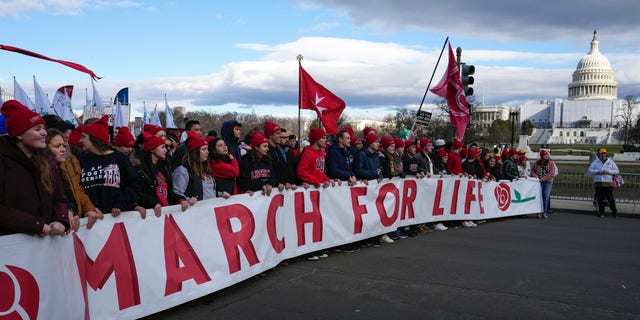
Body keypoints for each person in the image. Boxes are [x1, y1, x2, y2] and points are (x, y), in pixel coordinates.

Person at [0, 100, 69, 236]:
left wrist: (61, 220)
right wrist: (36, 225)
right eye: (37, 129)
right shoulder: (3, 161)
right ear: (19, 135)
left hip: (43, 247)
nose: (44, 133)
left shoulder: (47, 161)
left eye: (43, 128)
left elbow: (60, 198)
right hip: (11, 247)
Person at [78, 115, 144, 219]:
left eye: (83, 136)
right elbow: (77, 190)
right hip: (89, 221)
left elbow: (134, 186)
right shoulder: (80, 161)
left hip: (117, 219)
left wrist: (121, 205)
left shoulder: (120, 159)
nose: (80, 140)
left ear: (94, 138)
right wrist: (89, 208)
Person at [47, 129, 103, 232]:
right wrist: (62, 217)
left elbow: (78, 189)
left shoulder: (72, 159)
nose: (63, 149)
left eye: (63, 145)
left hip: (73, 222)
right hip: (55, 227)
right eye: (57, 146)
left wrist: (88, 208)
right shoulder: (42, 170)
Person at [173, 131, 227, 211]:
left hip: (210, 211)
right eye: (204, 149)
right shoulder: (183, 170)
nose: (207, 152)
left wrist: (221, 194)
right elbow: (176, 192)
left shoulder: (207, 170)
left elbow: (208, 192)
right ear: (195, 152)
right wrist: (185, 200)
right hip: (195, 213)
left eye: (207, 149)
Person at [136, 133, 183, 216]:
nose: (166, 150)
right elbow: (138, 194)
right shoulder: (140, 169)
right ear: (152, 149)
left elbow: (168, 192)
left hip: (166, 211)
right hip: (151, 215)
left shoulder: (165, 167)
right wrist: (153, 203)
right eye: (162, 147)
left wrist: (180, 199)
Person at [238, 131, 277, 195]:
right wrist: (260, 186)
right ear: (256, 147)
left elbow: (274, 178)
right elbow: (243, 182)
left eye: (267, 146)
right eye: (264, 146)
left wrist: (270, 184)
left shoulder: (268, 160)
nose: (267, 149)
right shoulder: (245, 161)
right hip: (254, 198)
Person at [265, 121, 297, 191]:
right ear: (270, 135)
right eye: (278, 133)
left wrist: (287, 182)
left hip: (282, 188)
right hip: (272, 190)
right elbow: (268, 172)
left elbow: (283, 169)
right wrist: (277, 183)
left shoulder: (278, 150)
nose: (280, 136)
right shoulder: (266, 151)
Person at [588, 148, 619, 218]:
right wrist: (597, 171)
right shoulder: (595, 162)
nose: (603, 155)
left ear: (606, 154)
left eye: (604, 154)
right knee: (600, 199)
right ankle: (601, 212)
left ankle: (614, 212)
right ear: (599, 154)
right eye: (601, 154)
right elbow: (589, 171)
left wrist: (609, 172)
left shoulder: (611, 162)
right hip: (598, 183)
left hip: (608, 183)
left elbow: (617, 171)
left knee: (611, 199)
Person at [531, 149, 557, 219]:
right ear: (542, 156)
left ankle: (544, 212)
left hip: (547, 182)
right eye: (544, 155)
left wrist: (542, 179)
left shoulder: (551, 163)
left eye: (547, 155)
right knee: (539, 197)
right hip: (538, 182)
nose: (546, 156)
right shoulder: (537, 163)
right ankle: (539, 212)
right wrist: (535, 175)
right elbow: (532, 171)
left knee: (545, 197)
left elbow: (551, 174)